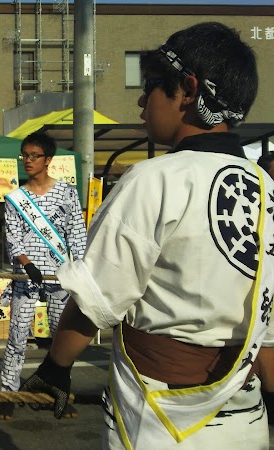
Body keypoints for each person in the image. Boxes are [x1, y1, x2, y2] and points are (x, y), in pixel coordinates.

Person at [22, 23, 273, 449]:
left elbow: (95, 299)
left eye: (153, 85)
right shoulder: (267, 187)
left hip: (161, 417)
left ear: (189, 90)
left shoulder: (154, 179)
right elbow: (267, 328)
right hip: (246, 417)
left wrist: (55, 368)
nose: (142, 100)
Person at [0, 131, 86, 421]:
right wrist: (26, 264)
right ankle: (8, 393)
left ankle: (60, 390)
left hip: (59, 277)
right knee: (18, 336)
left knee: (61, 338)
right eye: (25, 155)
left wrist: (81, 268)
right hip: (25, 277)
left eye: (34, 156)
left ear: (48, 160)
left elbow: (77, 234)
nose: (28, 161)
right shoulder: (15, 198)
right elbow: (13, 238)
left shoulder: (67, 192)